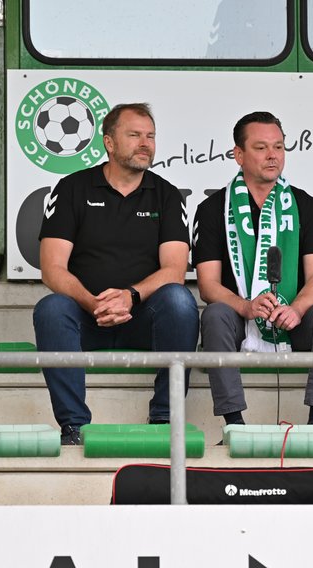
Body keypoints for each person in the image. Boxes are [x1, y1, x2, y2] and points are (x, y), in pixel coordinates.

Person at [33, 102, 199, 445]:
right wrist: (93, 303)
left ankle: (164, 419)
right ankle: (74, 428)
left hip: (142, 318)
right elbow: (52, 268)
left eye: (151, 136)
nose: (145, 144)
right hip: (87, 316)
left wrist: (130, 296)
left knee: (180, 301)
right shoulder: (72, 188)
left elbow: (175, 269)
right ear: (108, 142)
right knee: (51, 309)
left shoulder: (167, 195)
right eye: (135, 135)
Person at [193, 111, 313, 427]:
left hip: (292, 318)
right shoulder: (213, 208)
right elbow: (207, 285)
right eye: (261, 148)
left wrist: (297, 309)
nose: (272, 155)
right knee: (214, 315)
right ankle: (235, 426)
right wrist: (245, 307)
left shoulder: (304, 204)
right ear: (239, 155)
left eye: (278, 147)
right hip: (239, 318)